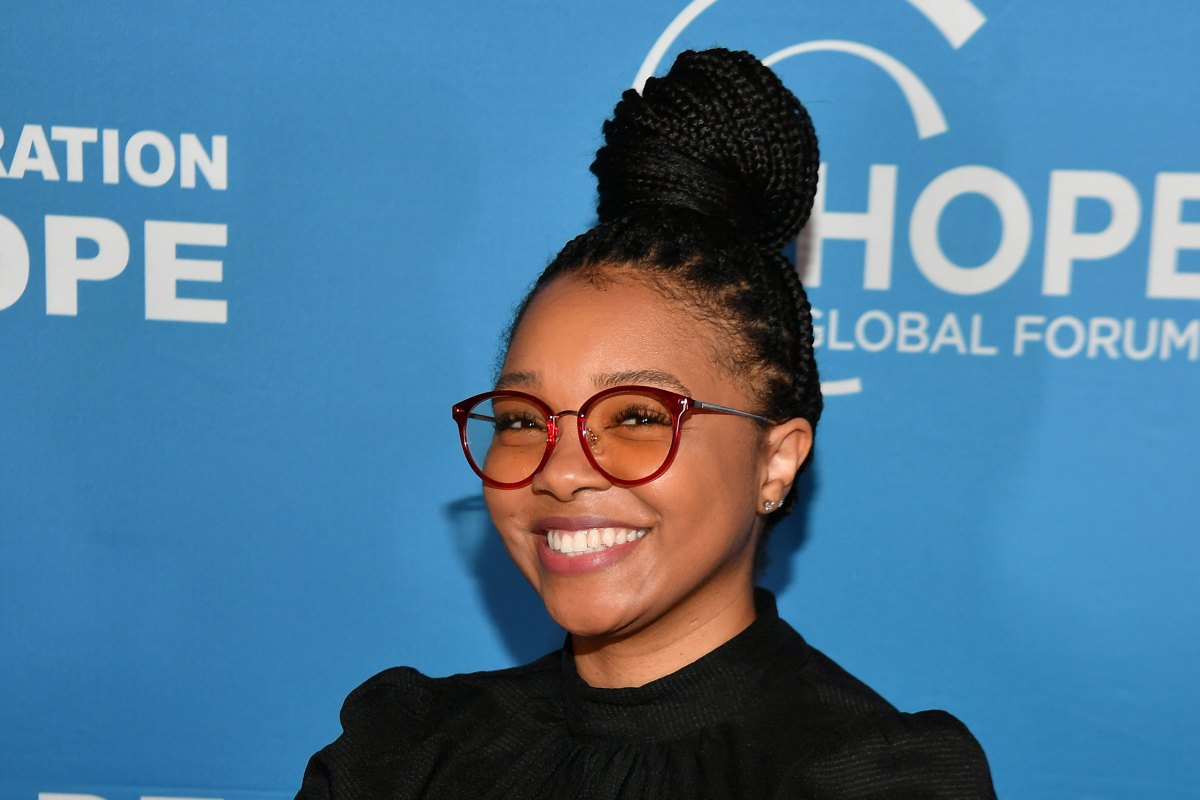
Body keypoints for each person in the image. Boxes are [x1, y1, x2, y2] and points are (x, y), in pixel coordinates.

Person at [297, 48, 996, 799]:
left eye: (636, 415)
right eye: (522, 420)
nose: (559, 471)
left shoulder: (871, 780)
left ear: (776, 461)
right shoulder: (403, 755)